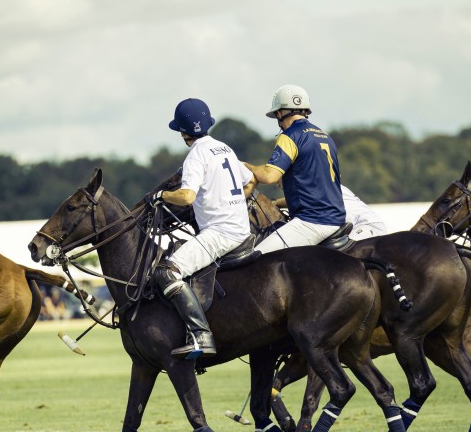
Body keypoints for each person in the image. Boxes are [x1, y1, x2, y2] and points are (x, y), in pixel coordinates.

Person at [150, 98, 255, 359]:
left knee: (166, 272)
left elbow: (186, 197)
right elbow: (250, 180)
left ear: (183, 132)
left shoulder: (196, 154)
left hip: (220, 233)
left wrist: (162, 195)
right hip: (242, 229)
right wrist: (233, 203)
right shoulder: (224, 148)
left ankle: (201, 334)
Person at [244, 84, 346, 253]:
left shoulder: (290, 135)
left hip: (311, 222)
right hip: (337, 219)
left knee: (256, 257)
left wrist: (248, 167)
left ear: (279, 113)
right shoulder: (325, 136)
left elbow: (270, 177)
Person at [274, 183, 389, 239]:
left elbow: (299, 200)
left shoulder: (319, 187)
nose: (278, 185)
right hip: (361, 226)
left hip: (368, 226)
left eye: (279, 181)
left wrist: (274, 203)